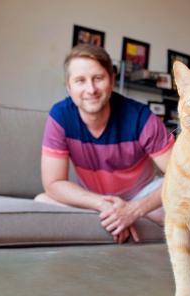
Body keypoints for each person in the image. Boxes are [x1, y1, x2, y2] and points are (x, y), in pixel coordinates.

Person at [35, 44, 174, 244]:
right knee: (42, 201)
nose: (90, 89)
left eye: (98, 78)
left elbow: (182, 176)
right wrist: (104, 205)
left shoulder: (141, 117)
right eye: (80, 81)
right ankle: (113, 219)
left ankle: (120, 219)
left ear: (112, 80)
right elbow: (53, 184)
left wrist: (133, 211)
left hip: (141, 196)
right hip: (94, 199)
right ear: (69, 87)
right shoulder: (60, 116)